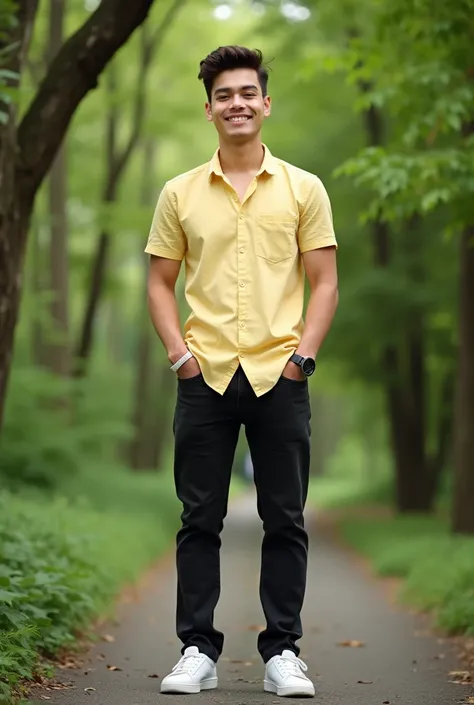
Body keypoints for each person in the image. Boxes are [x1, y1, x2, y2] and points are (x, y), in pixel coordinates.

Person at [145, 45, 338, 698]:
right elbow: (159, 283)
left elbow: (326, 282)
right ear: (209, 109)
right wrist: (180, 356)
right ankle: (196, 648)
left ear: (265, 102)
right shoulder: (179, 193)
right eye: (224, 94)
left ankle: (283, 650)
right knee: (200, 519)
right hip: (204, 380)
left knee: (286, 519)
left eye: (247, 92)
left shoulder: (303, 188)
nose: (237, 103)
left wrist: (301, 359)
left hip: (279, 376)